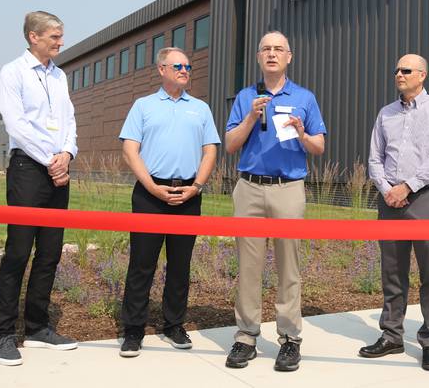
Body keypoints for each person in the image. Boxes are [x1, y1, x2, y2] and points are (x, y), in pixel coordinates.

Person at [224, 31, 326, 372]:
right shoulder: (245, 96)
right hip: (250, 187)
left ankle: (289, 339)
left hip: (288, 188)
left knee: (288, 267)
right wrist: (251, 116)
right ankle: (246, 337)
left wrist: (301, 133)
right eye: (266, 49)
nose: (272, 54)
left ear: (289, 57)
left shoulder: (305, 98)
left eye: (278, 49)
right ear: (258, 57)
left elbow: (319, 147)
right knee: (249, 267)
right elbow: (230, 144)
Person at [118, 47, 220, 357]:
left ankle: (174, 324)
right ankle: (133, 330)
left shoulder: (200, 109)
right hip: (150, 195)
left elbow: (210, 150)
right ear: (161, 69)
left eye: (188, 66)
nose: (185, 70)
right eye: (178, 65)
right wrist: (151, 187)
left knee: (180, 264)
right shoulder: (143, 106)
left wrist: (197, 186)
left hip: (188, 195)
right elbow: (130, 150)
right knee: (141, 264)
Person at [0, 11, 78, 366]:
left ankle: (39, 328)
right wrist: (50, 159)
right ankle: (3, 335)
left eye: (61, 35)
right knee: (18, 251)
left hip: (59, 170)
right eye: (55, 36)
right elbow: (17, 125)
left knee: (50, 252)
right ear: (33, 37)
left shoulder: (60, 76)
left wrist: (67, 154)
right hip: (29, 169)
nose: (60, 41)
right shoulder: (12, 73)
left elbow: (70, 120)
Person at [361, 54, 429, 371]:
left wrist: (408, 187)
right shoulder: (385, 114)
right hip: (388, 200)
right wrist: (388, 189)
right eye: (396, 69)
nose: (398, 74)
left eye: (405, 70)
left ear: (422, 75)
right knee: (392, 271)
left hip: (424, 197)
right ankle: (391, 335)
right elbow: (374, 158)